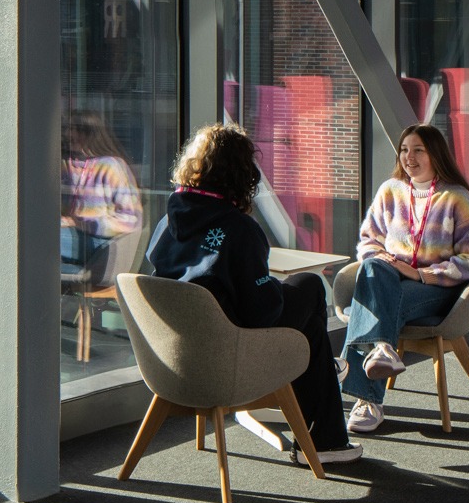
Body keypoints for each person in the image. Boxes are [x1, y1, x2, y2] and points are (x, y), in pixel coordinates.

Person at [143, 124, 355, 465]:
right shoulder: (240, 229)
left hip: (174, 359)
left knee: (306, 313)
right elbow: (262, 314)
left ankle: (325, 417)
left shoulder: (166, 223)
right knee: (309, 288)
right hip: (227, 358)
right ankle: (324, 439)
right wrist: (269, 285)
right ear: (242, 174)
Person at [340, 125, 469, 434]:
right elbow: (368, 241)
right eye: (404, 150)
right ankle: (381, 353)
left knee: (374, 307)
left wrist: (421, 274)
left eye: (418, 150)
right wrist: (388, 262)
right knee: (374, 268)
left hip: (438, 289)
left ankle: (366, 394)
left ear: (435, 154)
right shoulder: (390, 190)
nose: (409, 157)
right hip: (390, 280)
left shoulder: (456, 197)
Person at [61, 112, 144, 290]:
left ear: (91, 133)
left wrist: (81, 224)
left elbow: (131, 220)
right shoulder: (66, 165)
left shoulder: (111, 166)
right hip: (71, 235)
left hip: (101, 244)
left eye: (75, 129)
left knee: (41, 240)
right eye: (67, 128)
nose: (68, 134)